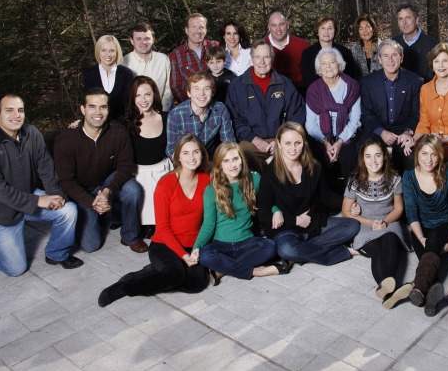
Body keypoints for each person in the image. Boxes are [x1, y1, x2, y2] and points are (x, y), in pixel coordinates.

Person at [0, 94, 82, 276]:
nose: (16, 115)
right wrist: (38, 201)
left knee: (68, 210)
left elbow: (45, 165)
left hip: (27, 197)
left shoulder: (31, 133)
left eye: (20, 110)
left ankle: (56, 254)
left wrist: (54, 192)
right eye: (9, 110)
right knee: (15, 269)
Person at [97, 134, 211, 307]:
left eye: (196, 152)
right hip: (164, 244)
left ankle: (152, 272)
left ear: (202, 154)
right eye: (186, 153)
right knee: (175, 275)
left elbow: (208, 221)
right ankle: (126, 286)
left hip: (192, 243)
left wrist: (196, 249)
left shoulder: (206, 181)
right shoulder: (166, 184)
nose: (191, 157)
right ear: (177, 156)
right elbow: (163, 228)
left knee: (196, 284)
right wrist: (183, 255)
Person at [54, 89, 146, 253]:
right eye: (92, 107)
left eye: (103, 107)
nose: (98, 112)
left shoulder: (118, 132)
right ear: (83, 109)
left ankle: (131, 236)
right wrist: (91, 202)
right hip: (82, 191)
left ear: (108, 109)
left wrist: (107, 191)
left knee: (133, 190)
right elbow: (66, 181)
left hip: (106, 183)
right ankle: (99, 215)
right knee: (91, 246)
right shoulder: (66, 140)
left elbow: (125, 167)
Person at [257, 122, 360, 266]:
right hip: (286, 229)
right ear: (278, 144)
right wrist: (295, 220)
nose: (293, 148)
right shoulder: (270, 173)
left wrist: (351, 203)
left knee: (352, 226)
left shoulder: (314, 166)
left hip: (312, 223)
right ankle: (339, 252)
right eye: (287, 143)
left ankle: (304, 251)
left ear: (304, 143)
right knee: (286, 249)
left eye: (297, 143)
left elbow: (327, 196)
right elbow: (262, 213)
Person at [193, 142, 285, 282]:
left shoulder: (254, 178)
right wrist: (197, 247)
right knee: (206, 255)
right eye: (226, 161)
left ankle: (222, 270)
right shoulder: (211, 190)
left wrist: (277, 211)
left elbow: (267, 202)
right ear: (220, 166)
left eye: (235, 159)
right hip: (220, 243)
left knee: (270, 247)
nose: (232, 165)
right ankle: (256, 271)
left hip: (246, 241)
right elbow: (208, 225)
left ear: (242, 160)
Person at [343, 138, 412, 309]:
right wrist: (369, 222)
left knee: (390, 241)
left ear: (385, 157)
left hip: (389, 221)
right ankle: (390, 290)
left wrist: (384, 222)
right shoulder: (355, 180)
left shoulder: (394, 178)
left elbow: (398, 209)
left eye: (378, 156)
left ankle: (385, 288)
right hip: (364, 223)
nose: (373, 161)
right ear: (362, 159)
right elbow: (345, 211)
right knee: (376, 250)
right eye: (368, 156)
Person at [403, 134, 448, 317]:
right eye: (424, 153)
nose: (429, 159)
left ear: (440, 156)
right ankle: (430, 300)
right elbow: (411, 212)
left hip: (446, 227)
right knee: (428, 255)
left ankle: (418, 287)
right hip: (421, 227)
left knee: (434, 241)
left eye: (434, 154)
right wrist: (420, 237)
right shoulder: (409, 177)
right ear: (417, 155)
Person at [226, 40, 306, 171]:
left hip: (281, 139)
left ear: (272, 59)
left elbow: (297, 115)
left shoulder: (285, 84)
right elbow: (233, 120)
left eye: (266, 57)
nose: (262, 62)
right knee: (244, 156)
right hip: (251, 142)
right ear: (251, 59)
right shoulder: (237, 86)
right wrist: (254, 139)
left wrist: (282, 139)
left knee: (299, 157)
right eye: (258, 57)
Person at [360, 39, 424, 172]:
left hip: (402, 131)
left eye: (394, 55)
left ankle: (406, 191)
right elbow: (367, 114)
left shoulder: (415, 81)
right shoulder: (368, 82)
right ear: (379, 59)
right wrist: (381, 132)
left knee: (411, 155)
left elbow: (416, 113)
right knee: (360, 149)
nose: (390, 60)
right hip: (377, 129)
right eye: (385, 55)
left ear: (401, 58)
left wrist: (408, 132)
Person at [123, 76, 172, 240]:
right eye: (138, 95)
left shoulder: (167, 118)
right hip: (138, 174)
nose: (143, 100)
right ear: (132, 98)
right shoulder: (125, 123)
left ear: (155, 95)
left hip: (162, 170)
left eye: (147, 94)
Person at [305, 47, 361, 184]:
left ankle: (352, 196)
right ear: (319, 68)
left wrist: (339, 142)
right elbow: (310, 124)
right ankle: (326, 200)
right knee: (315, 158)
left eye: (332, 62)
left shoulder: (352, 86)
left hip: (346, 136)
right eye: (324, 63)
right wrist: (326, 143)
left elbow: (355, 120)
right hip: (320, 138)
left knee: (349, 156)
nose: (328, 66)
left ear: (339, 65)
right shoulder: (313, 90)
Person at [166, 71, 235, 158]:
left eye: (206, 88)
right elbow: (171, 149)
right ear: (189, 93)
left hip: (210, 160)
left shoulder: (220, 109)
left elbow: (228, 142)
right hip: (187, 161)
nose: (201, 93)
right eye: (196, 88)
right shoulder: (175, 115)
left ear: (212, 92)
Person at [169, 13, 220, 104]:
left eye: (201, 27)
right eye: (194, 27)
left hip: (217, 105)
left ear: (206, 30)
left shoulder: (215, 46)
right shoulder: (176, 55)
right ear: (186, 30)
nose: (198, 31)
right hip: (190, 107)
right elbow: (176, 87)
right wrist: (193, 106)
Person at [122, 22, 174, 112]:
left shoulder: (163, 60)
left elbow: (169, 90)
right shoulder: (124, 63)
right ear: (131, 40)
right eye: (138, 39)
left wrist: (162, 112)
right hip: (133, 116)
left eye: (147, 38)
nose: (143, 42)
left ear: (153, 39)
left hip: (160, 113)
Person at [82, 34, 135, 121]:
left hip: (122, 125)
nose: (108, 54)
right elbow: (87, 103)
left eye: (112, 50)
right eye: (104, 50)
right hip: (96, 124)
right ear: (98, 51)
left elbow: (130, 104)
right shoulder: (89, 74)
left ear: (117, 52)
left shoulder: (126, 74)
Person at [301, 15, 359, 87]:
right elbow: (308, 80)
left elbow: (351, 76)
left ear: (335, 31)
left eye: (330, 28)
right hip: (317, 93)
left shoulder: (346, 52)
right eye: (323, 28)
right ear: (317, 31)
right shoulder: (307, 53)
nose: (326, 31)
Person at [392, 1, 437, 81]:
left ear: (417, 20)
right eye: (400, 19)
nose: (404, 23)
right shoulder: (393, 44)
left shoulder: (432, 45)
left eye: (408, 18)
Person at [265, 11, 309, 90]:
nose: (278, 29)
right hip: (269, 91)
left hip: (298, 91)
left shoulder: (302, 45)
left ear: (287, 25)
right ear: (269, 27)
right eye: (274, 25)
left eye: (281, 24)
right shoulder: (261, 47)